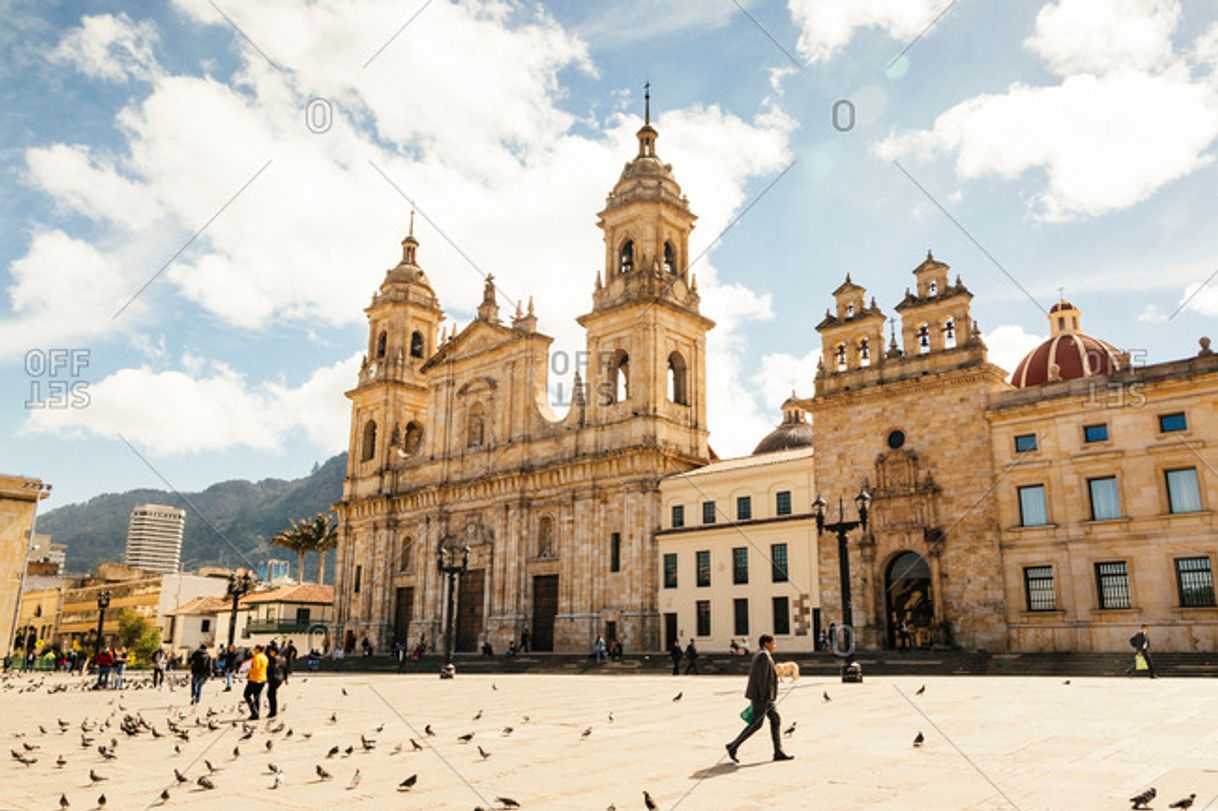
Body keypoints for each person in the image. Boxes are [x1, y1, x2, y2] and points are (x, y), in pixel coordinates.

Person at [726, 634, 793, 764]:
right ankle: (733, 746)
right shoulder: (763, 655)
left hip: (764, 695)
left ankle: (778, 751)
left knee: (775, 719)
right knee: (757, 724)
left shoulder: (761, 654)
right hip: (762, 696)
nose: (775, 646)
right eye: (773, 643)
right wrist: (764, 696)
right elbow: (761, 678)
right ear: (766, 643)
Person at [244, 644, 268, 719]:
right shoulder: (265, 657)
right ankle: (257, 713)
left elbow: (256, 668)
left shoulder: (257, 657)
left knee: (246, 695)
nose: (254, 650)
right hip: (263, 679)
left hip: (254, 679)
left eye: (255, 649)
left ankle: (254, 712)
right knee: (256, 696)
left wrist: (248, 670)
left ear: (258, 649)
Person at [266, 642, 286, 719]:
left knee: (271, 694)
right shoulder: (281, 658)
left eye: (271, 651)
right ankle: (273, 711)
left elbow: (273, 668)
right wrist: (285, 678)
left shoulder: (274, 659)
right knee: (271, 694)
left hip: (275, 679)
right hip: (278, 679)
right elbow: (285, 669)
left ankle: (273, 712)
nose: (270, 653)